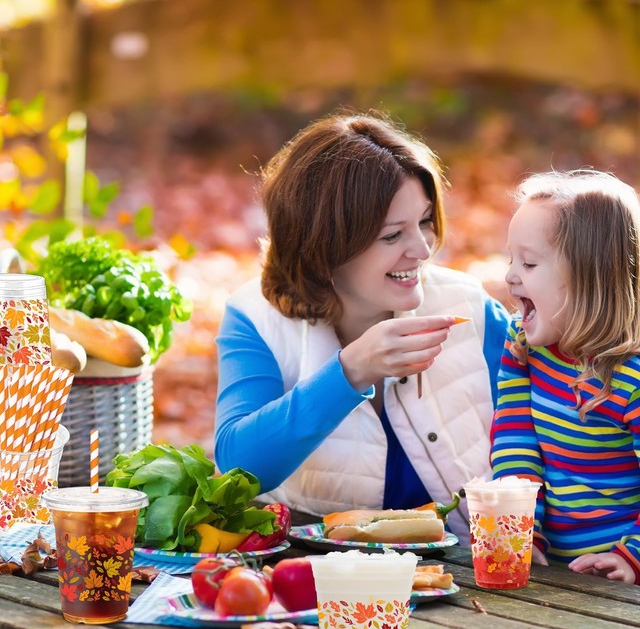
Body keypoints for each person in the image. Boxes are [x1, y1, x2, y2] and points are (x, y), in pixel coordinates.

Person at [214, 111, 511, 540]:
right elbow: (238, 468)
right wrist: (350, 372)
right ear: (324, 246)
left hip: (474, 577)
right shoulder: (255, 319)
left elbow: (557, 423)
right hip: (323, 575)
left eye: (424, 221)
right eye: (393, 236)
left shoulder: (468, 305)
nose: (423, 249)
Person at [491, 169, 640, 585]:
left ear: (591, 277)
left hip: (618, 580)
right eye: (511, 259)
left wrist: (631, 558)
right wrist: (522, 529)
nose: (510, 276)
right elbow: (515, 438)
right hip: (551, 572)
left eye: (530, 262)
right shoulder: (524, 345)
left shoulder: (630, 376)